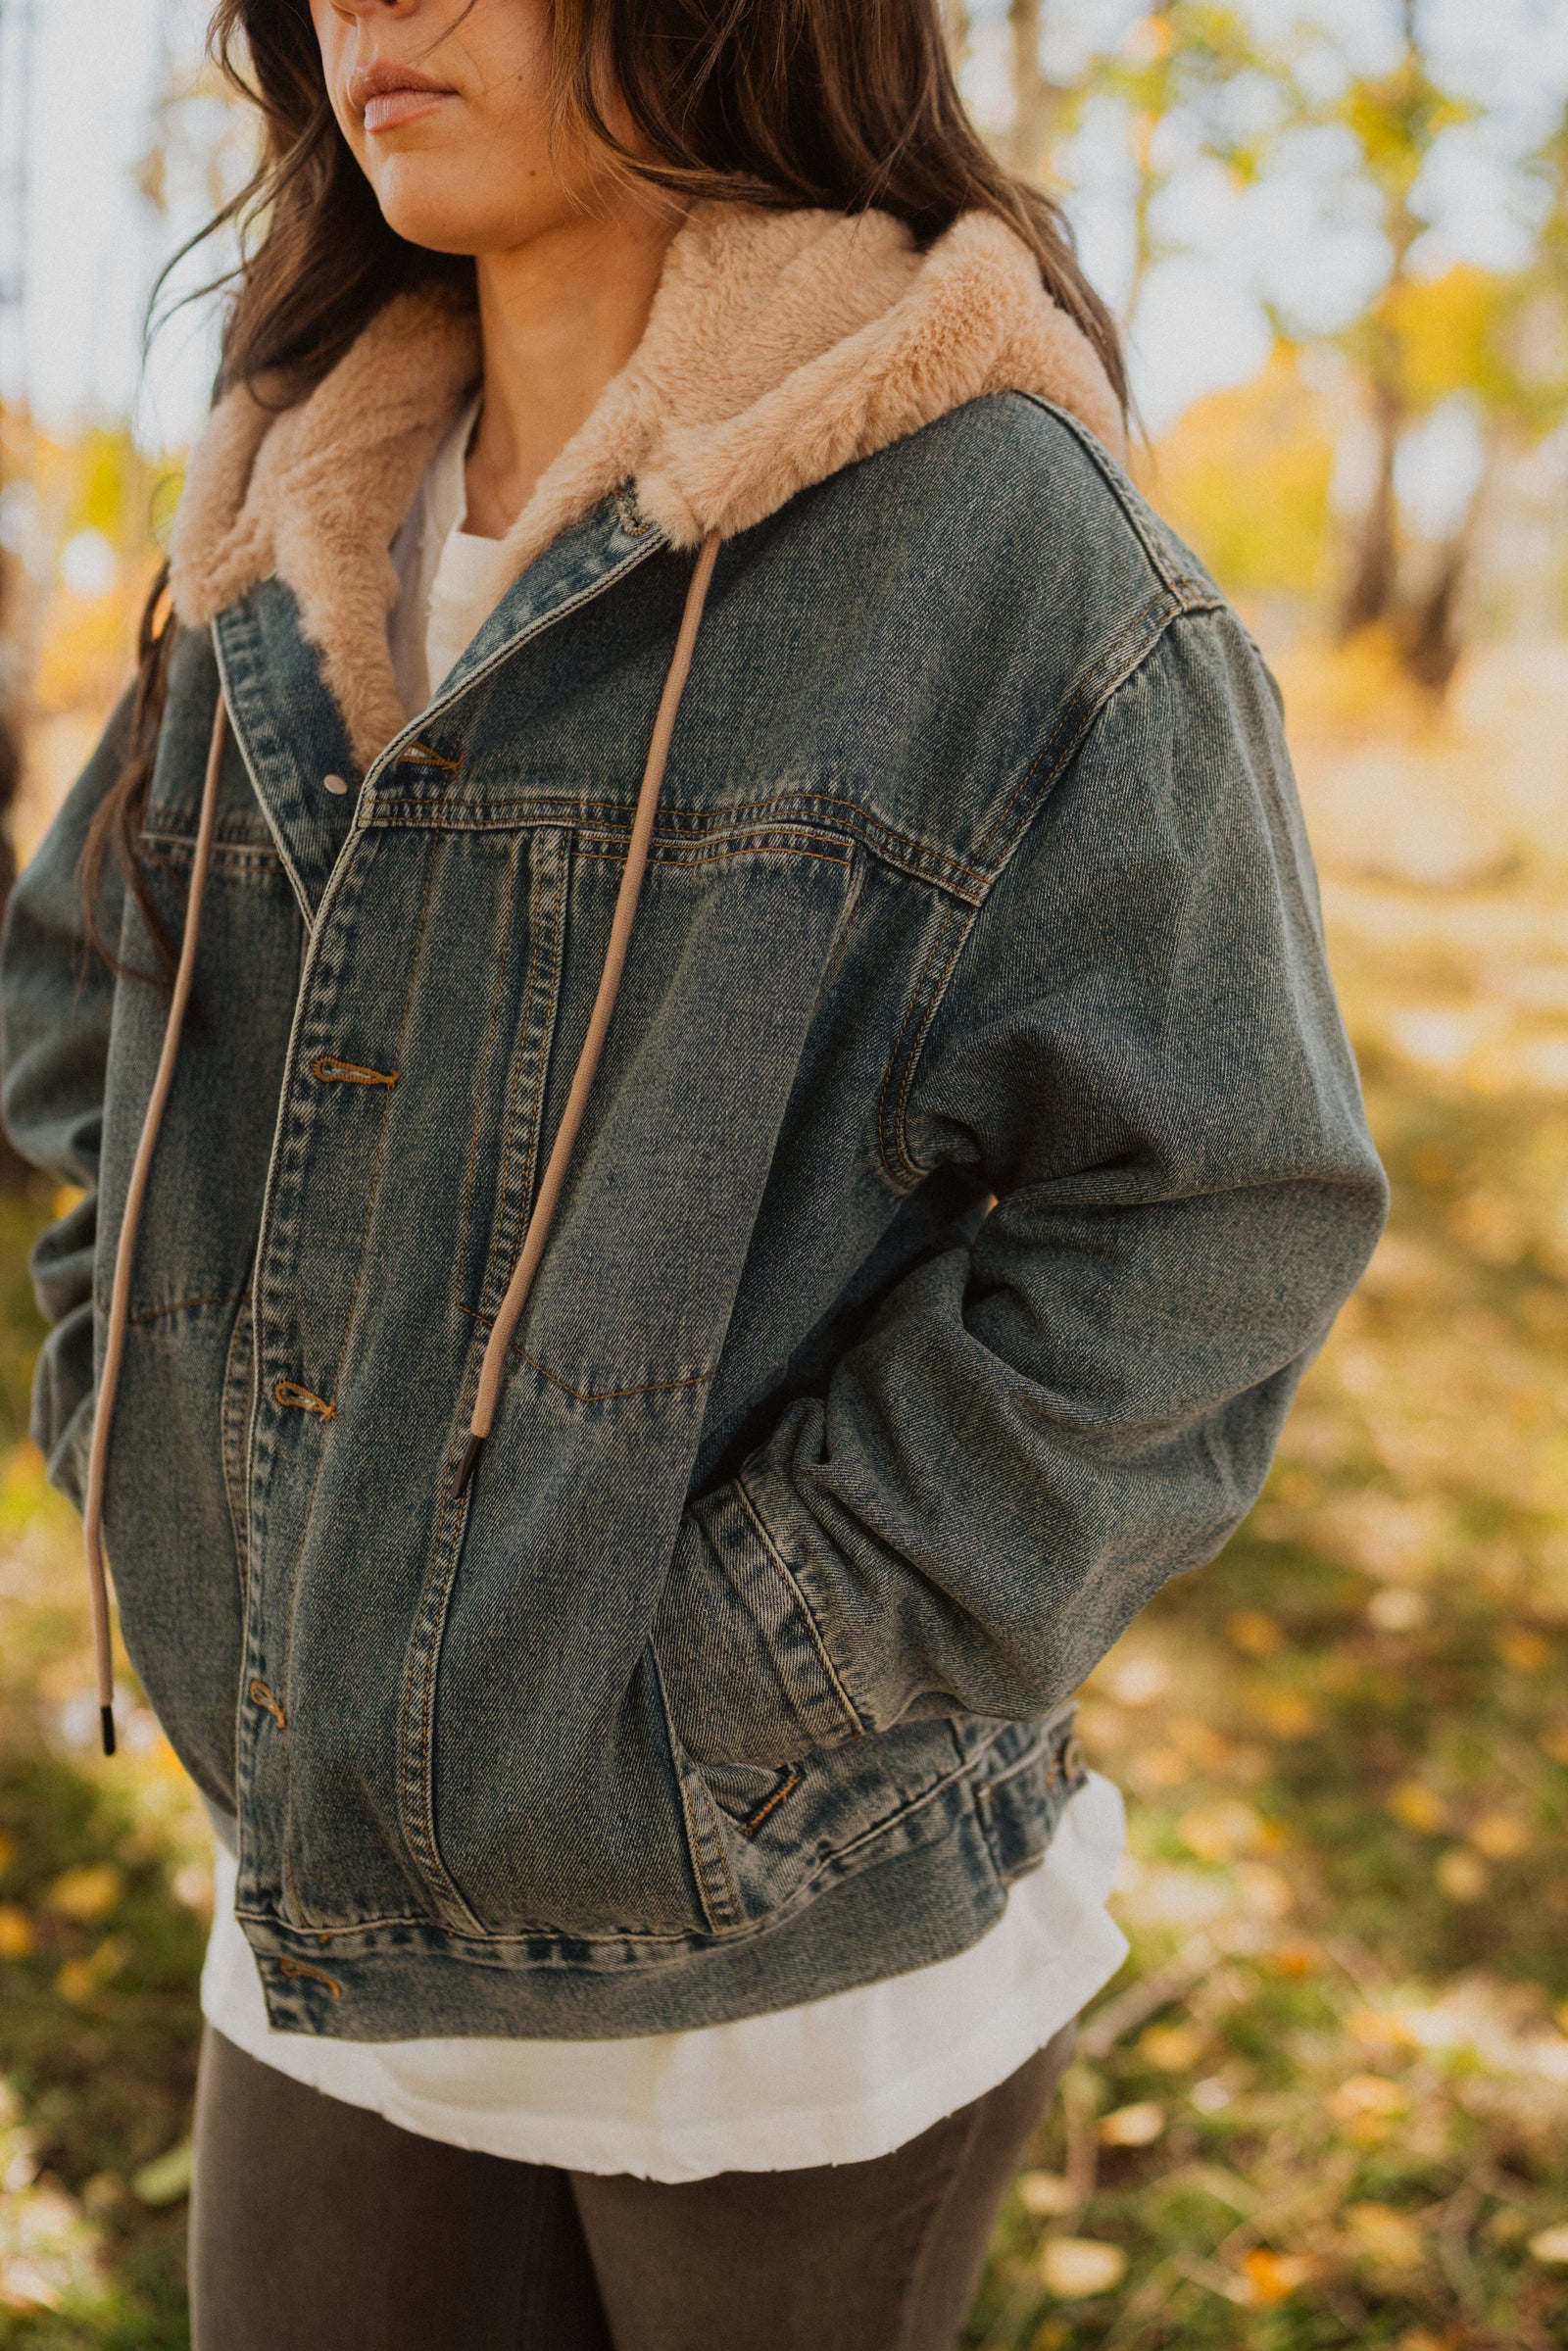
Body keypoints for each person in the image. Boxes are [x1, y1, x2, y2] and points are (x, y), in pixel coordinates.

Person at [0, 2, 1389, 2345]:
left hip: (778, 1963)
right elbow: (83, 1035)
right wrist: (147, 1453)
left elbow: (1207, 1205)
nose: (375, 3)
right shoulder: (283, 508)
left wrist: (753, 1673)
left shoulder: (987, 536)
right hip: (314, 1897)